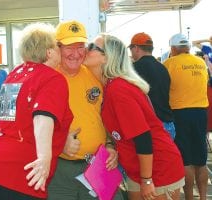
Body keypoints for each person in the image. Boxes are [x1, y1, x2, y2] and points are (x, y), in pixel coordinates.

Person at [84, 33, 185, 200]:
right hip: (139, 168)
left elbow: (143, 137)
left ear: (107, 57)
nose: (86, 49)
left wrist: (146, 181)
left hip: (157, 169)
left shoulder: (118, 89)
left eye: (92, 47)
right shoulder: (110, 86)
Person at [0, 23, 73, 200]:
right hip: (23, 170)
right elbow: (42, 117)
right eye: (57, 46)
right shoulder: (52, 78)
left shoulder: (15, 74)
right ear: (49, 52)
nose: (61, 50)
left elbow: (17, 117)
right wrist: (44, 159)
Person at [47, 20, 117, 200]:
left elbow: (108, 116)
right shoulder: (47, 77)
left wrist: (110, 145)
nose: (75, 53)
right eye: (69, 47)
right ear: (57, 48)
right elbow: (30, 123)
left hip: (97, 165)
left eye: (80, 46)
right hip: (59, 169)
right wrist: (59, 141)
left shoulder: (95, 73)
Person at [164, 33, 209, 200]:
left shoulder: (170, 63)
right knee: (201, 160)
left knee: (186, 160)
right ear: (188, 47)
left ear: (173, 48)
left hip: (180, 113)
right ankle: (203, 197)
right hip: (200, 112)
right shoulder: (201, 63)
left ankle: (189, 197)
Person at [129, 32, 175, 139]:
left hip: (151, 126)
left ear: (136, 48)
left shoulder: (134, 69)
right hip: (168, 124)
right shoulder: (163, 68)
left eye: (131, 49)